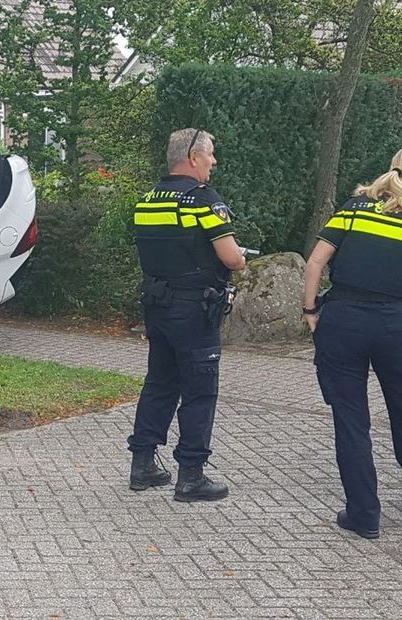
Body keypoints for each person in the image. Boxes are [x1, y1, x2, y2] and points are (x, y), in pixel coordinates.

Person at [304, 144, 402, 539]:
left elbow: (316, 261)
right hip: (397, 328)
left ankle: (364, 515)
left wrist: (311, 311)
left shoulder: (352, 211)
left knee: (351, 422)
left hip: (343, 322)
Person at [127, 128, 247, 502]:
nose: (214, 162)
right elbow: (230, 258)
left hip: (157, 305)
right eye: (210, 154)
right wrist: (241, 257)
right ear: (193, 157)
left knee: (160, 382)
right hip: (194, 310)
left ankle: (143, 464)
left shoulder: (147, 200)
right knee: (200, 390)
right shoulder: (201, 200)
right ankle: (191, 476)